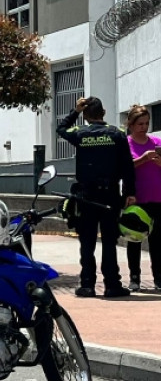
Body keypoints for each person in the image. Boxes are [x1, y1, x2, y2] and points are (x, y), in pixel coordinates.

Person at [57, 96, 136, 298]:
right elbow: (128, 166)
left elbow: (61, 129)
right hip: (110, 195)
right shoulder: (116, 134)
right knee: (109, 241)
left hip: (86, 196)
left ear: (85, 115)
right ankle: (112, 285)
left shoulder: (80, 133)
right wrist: (130, 193)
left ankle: (87, 285)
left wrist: (75, 111)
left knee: (87, 242)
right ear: (104, 113)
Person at [124, 105, 161, 291]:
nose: (144, 127)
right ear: (131, 125)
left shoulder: (156, 142)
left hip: (158, 197)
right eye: (140, 124)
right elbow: (124, 168)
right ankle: (134, 277)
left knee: (158, 241)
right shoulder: (126, 144)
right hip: (136, 199)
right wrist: (144, 159)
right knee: (134, 238)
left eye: (147, 123)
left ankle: (159, 278)